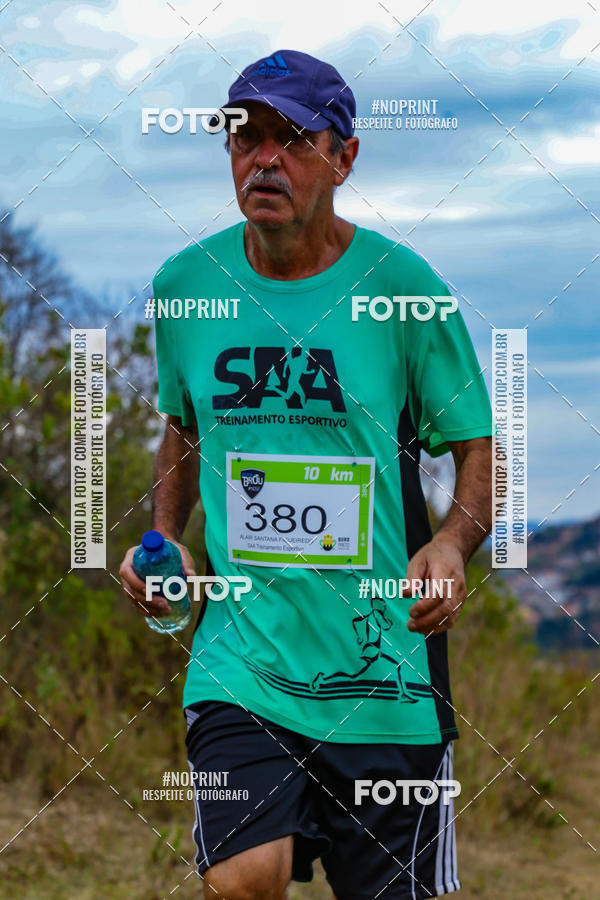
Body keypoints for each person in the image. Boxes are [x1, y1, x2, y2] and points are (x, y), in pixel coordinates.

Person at [119, 48, 493, 900]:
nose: (263, 159)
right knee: (244, 878)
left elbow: (475, 445)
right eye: (245, 138)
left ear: (344, 158)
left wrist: (450, 543)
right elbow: (182, 426)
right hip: (241, 663)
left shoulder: (404, 291)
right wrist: (165, 541)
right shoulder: (188, 286)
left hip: (385, 677)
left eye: (291, 139)